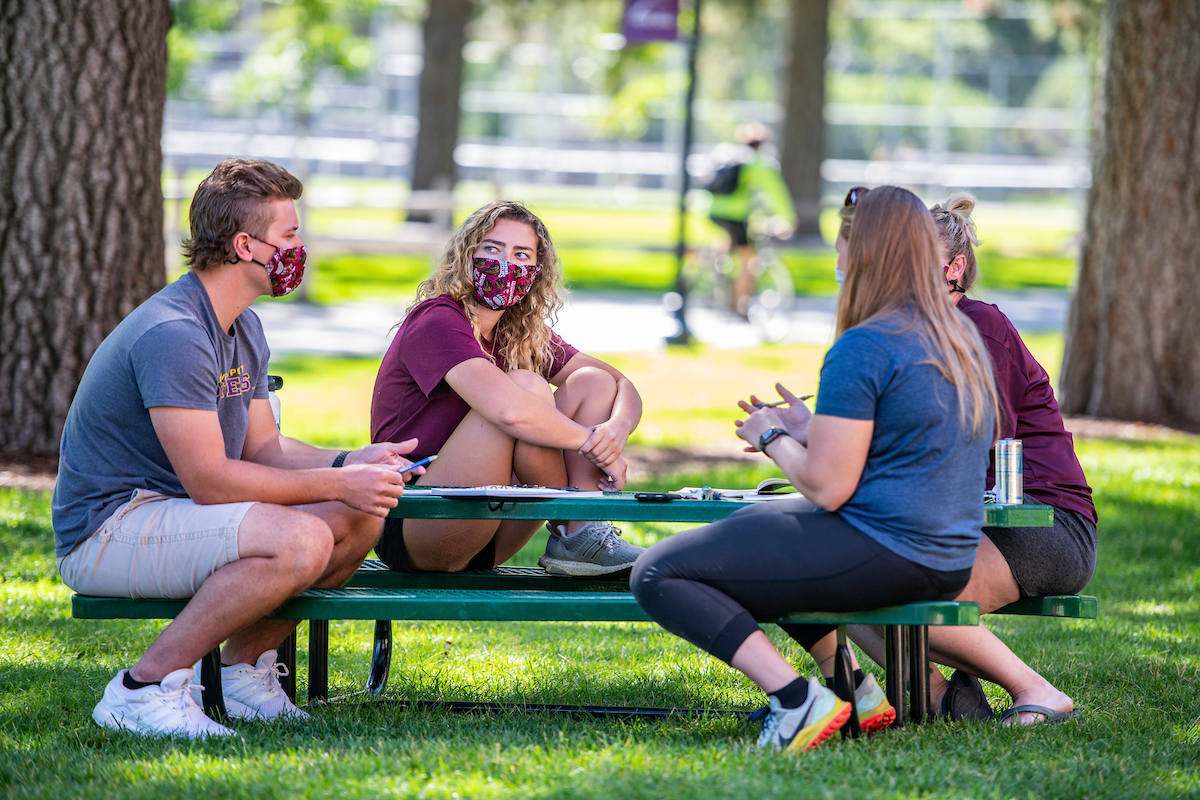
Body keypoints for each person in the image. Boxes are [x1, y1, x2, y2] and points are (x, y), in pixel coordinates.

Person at [53, 158, 420, 739]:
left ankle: (243, 673)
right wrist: (335, 481)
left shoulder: (242, 325)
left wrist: (354, 464)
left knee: (357, 515)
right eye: (291, 235)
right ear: (246, 245)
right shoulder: (174, 332)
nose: (301, 247)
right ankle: (142, 689)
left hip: (176, 514)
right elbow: (212, 481)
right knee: (299, 538)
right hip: (109, 527)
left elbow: (264, 449)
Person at [631, 186, 998, 753]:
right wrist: (818, 427)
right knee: (753, 545)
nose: (834, 256)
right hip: (946, 555)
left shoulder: (865, 344)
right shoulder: (957, 336)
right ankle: (856, 689)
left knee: (658, 572)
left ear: (862, 251)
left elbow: (828, 487)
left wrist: (772, 436)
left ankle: (796, 701)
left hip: (892, 550)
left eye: (841, 242)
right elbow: (910, 437)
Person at [809, 191, 1096, 726]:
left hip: (1041, 522)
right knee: (841, 573)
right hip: (970, 517)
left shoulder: (978, 327)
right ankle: (942, 702)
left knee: (885, 583)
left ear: (953, 268)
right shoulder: (908, 334)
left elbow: (975, 438)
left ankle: (1037, 691)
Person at [370, 201, 645, 576]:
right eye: (492, 248)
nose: (505, 263)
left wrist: (614, 431)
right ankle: (577, 519)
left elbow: (618, 383)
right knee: (525, 388)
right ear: (467, 255)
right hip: (419, 523)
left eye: (521, 255)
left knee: (591, 382)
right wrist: (589, 442)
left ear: (534, 272)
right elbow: (509, 412)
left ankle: (580, 532)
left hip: (489, 534)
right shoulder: (437, 319)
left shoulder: (520, 332)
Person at [706, 122, 797, 315]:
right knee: (749, 259)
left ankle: (716, 271)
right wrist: (787, 218)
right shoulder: (758, 162)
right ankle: (739, 304)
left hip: (712, 209)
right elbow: (775, 193)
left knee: (727, 239)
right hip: (736, 214)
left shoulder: (728, 156)